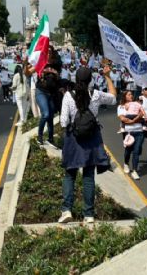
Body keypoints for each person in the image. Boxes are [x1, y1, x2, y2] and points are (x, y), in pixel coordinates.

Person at [58, 65, 116, 224]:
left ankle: (66, 210)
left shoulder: (68, 96)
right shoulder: (96, 94)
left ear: (75, 79)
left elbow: (63, 122)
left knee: (70, 175)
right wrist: (108, 76)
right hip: (92, 139)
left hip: (73, 139)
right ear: (91, 79)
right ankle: (89, 214)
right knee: (88, 176)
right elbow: (113, 97)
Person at [118, 90, 146, 180]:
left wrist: (134, 120)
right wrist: (135, 119)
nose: (131, 96)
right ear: (125, 96)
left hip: (139, 131)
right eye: (129, 94)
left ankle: (134, 170)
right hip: (128, 132)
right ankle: (126, 163)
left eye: (131, 94)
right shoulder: (121, 107)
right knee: (128, 150)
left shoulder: (137, 104)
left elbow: (143, 116)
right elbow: (123, 119)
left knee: (136, 151)